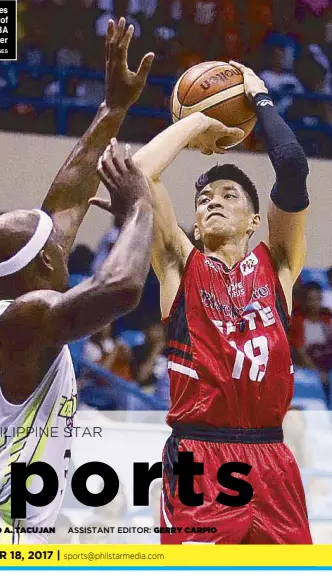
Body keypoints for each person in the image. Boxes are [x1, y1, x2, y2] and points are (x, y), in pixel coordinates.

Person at [0, 17, 155, 545]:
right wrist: (140, 210)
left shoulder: (19, 301)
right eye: (55, 245)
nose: (65, 240)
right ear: (41, 266)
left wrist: (113, 105)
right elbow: (121, 289)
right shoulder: (26, 319)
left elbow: (69, 197)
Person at [133, 61, 313, 543]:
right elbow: (138, 175)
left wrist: (259, 98)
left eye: (229, 195)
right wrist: (196, 122)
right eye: (204, 198)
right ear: (193, 223)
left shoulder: (278, 267)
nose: (212, 201)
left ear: (255, 220)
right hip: (200, 457)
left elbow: (293, 167)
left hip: (273, 462)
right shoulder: (179, 265)